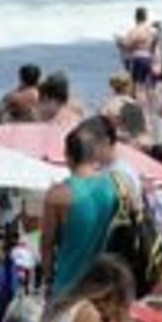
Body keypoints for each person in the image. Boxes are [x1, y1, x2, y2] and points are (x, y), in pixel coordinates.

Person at [40, 128, 119, 299]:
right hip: (105, 287)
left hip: (68, 287)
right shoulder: (115, 188)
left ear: (67, 155)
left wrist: (48, 280)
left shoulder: (58, 194)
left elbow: (47, 243)